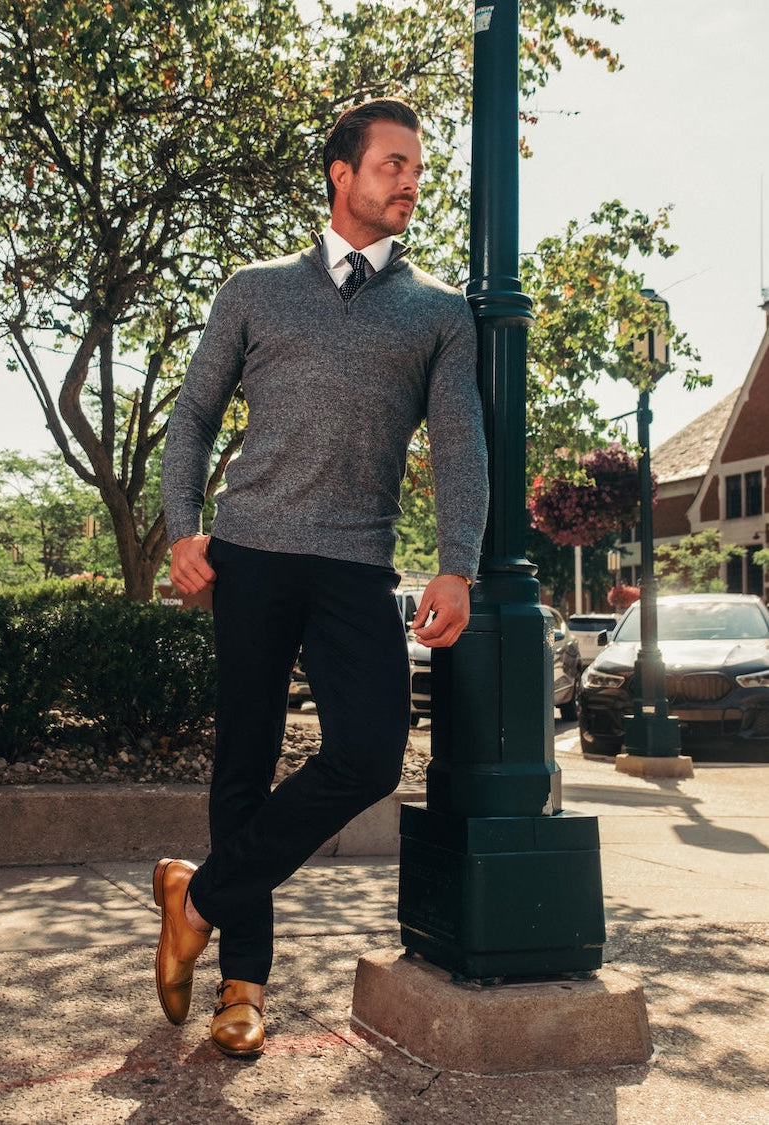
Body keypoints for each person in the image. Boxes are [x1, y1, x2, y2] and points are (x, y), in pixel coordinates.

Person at [156, 97, 489, 1059]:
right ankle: (242, 986)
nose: (410, 181)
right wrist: (185, 527)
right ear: (342, 173)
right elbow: (194, 416)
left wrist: (457, 564)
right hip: (251, 553)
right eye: (392, 164)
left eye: (417, 168)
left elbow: (460, 448)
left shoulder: (439, 311)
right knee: (244, 766)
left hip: (357, 563)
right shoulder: (255, 288)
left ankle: (199, 896)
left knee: (372, 756)